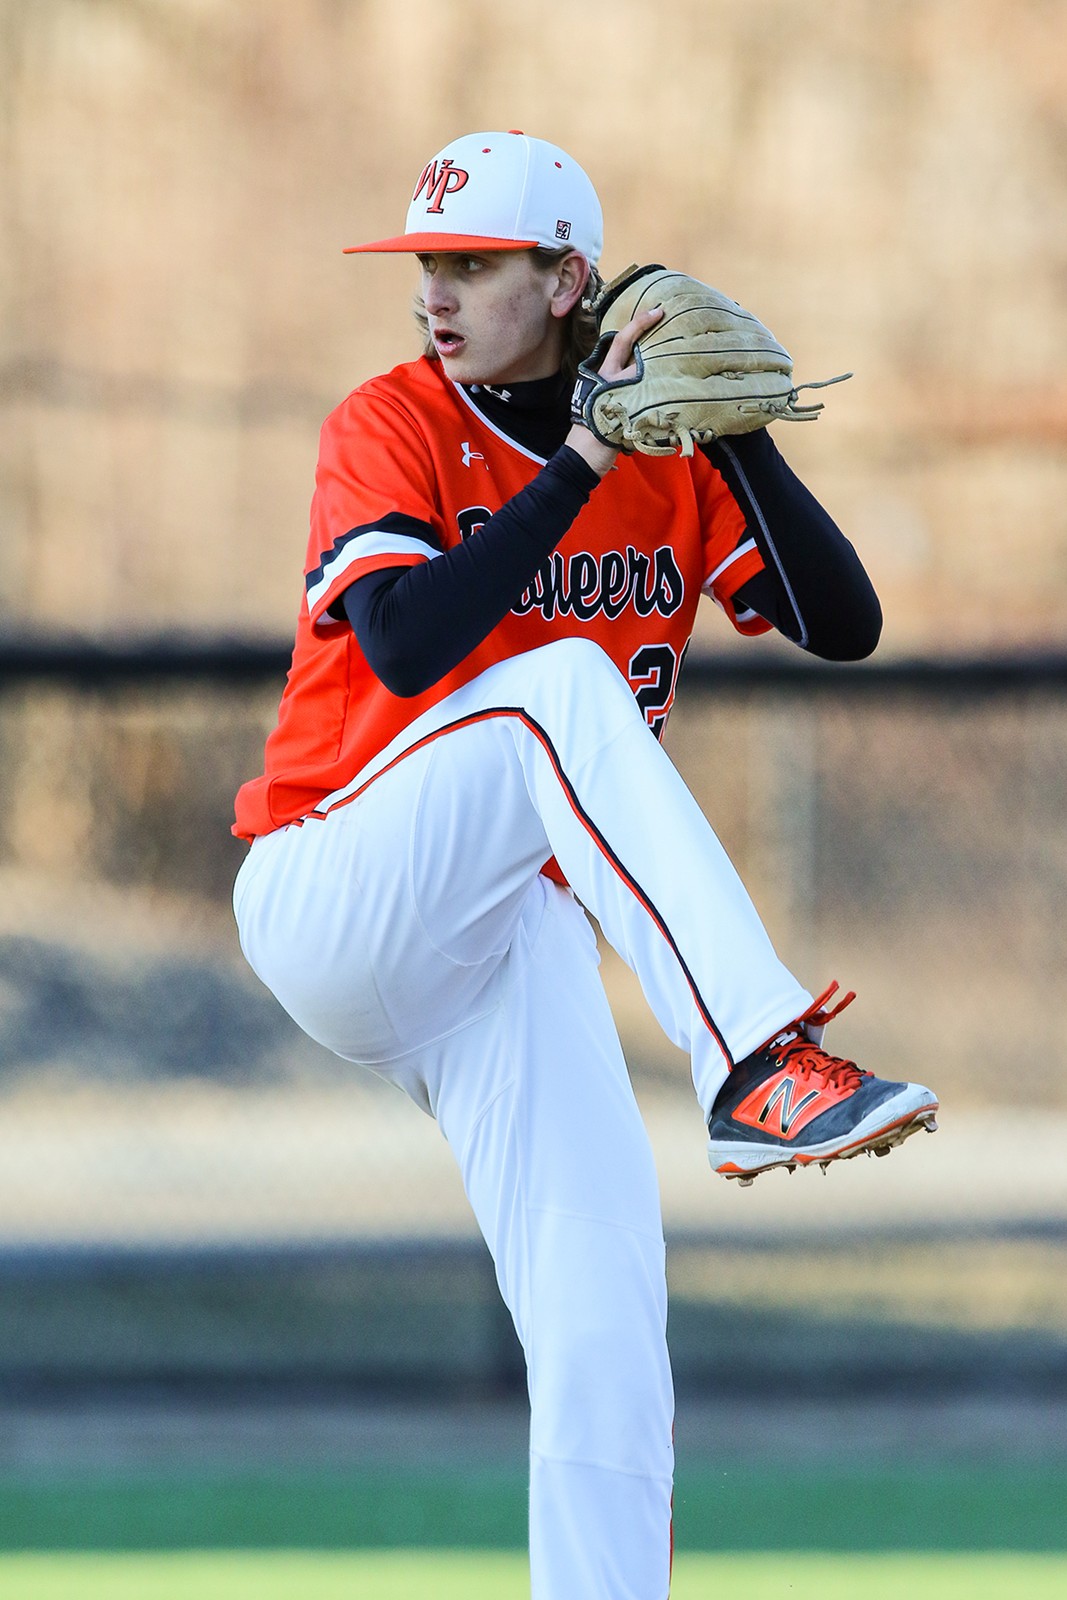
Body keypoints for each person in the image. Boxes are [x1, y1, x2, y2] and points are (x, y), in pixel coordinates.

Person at [231, 130, 938, 1600]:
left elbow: (846, 625)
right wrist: (588, 459)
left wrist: (734, 435)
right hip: (340, 882)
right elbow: (412, 644)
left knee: (606, 1322)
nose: (437, 292)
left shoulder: (664, 459)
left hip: (507, 944)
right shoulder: (392, 422)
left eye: (475, 266)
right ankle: (757, 1060)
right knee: (561, 689)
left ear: (566, 281)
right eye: (429, 264)